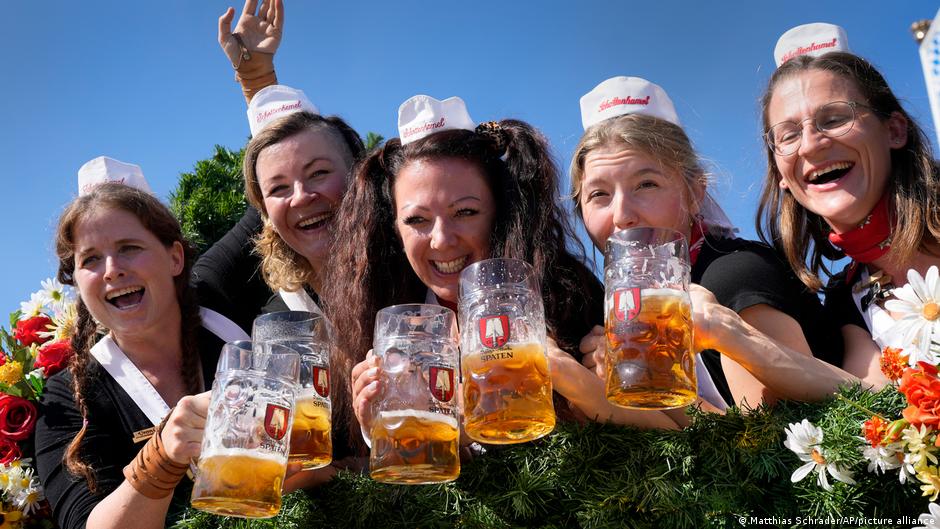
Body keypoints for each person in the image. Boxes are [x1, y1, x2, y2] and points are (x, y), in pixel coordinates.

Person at [568, 76, 843, 408]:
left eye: (646, 184)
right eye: (599, 194)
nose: (622, 215)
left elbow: (775, 446)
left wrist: (633, 381)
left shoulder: (733, 276)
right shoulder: (620, 313)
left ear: (695, 193)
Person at [34, 175, 248, 529]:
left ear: (175, 258)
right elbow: (83, 523)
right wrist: (161, 459)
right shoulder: (69, 397)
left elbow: (277, 205)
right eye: (90, 260)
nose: (113, 270)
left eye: (129, 247)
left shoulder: (220, 301)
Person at [757, 24, 939, 386]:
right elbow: (874, 415)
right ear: (780, 172)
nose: (810, 145)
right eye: (789, 135)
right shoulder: (846, 298)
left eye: (836, 118)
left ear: (895, 131)